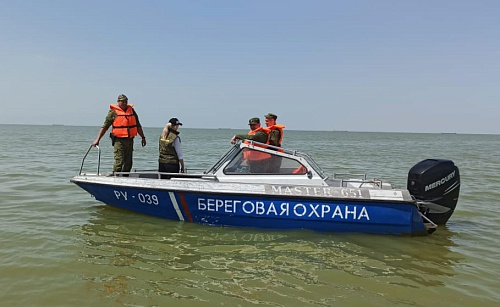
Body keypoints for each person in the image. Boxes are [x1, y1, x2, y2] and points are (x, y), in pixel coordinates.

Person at [92, 94, 146, 174]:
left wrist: (143, 137)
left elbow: (137, 125)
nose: (124, 103)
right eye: (122, 101)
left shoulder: (131, 111)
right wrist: (97, 139)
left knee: (128, 162)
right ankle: (115, 176)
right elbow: (105, 126)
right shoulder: (113, 112)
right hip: (119, 140)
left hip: (130, 140)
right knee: (119, 161)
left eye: (126, 101)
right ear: (118, 102)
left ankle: (125, 177)